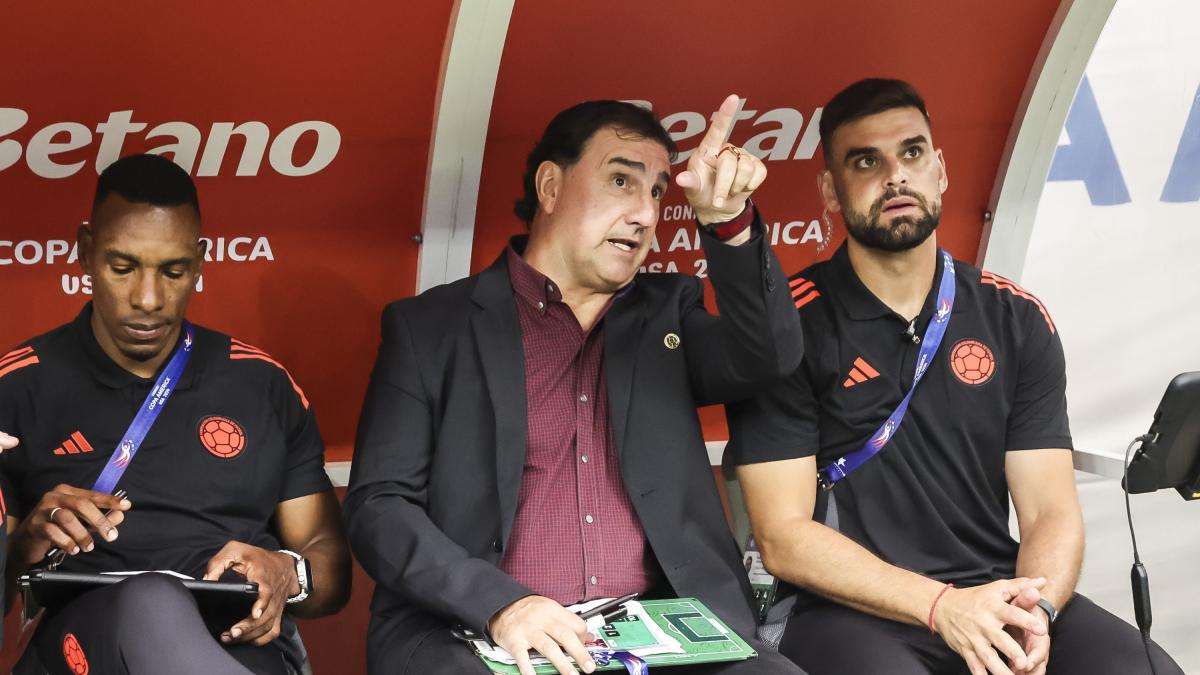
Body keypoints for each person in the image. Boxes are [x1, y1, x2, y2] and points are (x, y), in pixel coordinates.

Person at [727, 78, 1183, 675]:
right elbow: (784, 537)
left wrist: (1036, 609)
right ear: (830, 192)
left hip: (998, 595)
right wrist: (941, 606)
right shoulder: (789, 327)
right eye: (866, 161)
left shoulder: (1014, 317)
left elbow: (1049, 509)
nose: (895, 176)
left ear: (940, 169)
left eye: (912, 154)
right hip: (845, 610)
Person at [345, 95, 807, 675]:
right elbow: (379, 505)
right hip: (481, 633)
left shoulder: (669, 312)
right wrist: (500, 604)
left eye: (659, 192)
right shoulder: (431, 328)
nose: (645, 213)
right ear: (550, 186)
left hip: (662, 636)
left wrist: (727, 223)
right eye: (621, 181)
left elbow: (768, 357)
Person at [0, 154, 351, 675]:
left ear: (200, 261)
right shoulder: (16, 386)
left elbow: (331, 564)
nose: (148, 299)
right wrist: (25, 542)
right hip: (82, 647)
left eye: (173, 271)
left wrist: (287, 571)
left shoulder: (261, 383)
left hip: (239, 641)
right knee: (150, 600)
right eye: (123, 268)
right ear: (84, 251)